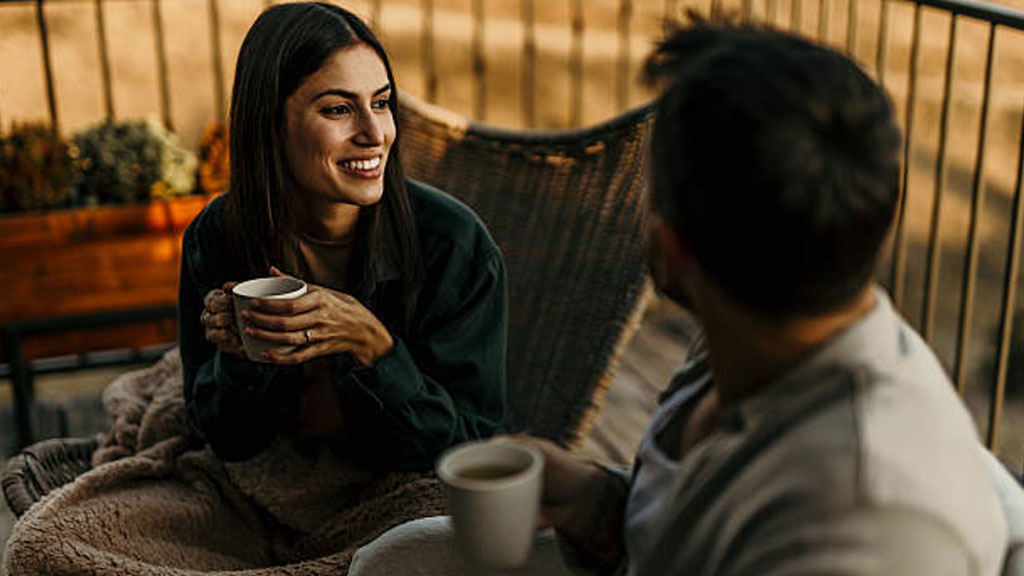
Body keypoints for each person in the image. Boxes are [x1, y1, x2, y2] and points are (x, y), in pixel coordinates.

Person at [349, 17, 1012, 575]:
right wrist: (601, 504)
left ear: (669, 249)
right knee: (398, 558)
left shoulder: (864, 521)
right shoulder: (758, 328)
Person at [180, 1, 507, 470]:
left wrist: (372, 344)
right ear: (270, 124)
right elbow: (227, 442)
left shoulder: (455, 247)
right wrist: (237, 361)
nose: (375, 133)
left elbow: (472, 455)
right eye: (338, 109)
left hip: (397, 492)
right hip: (272, 485)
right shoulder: (217, 236)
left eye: (381, 103)